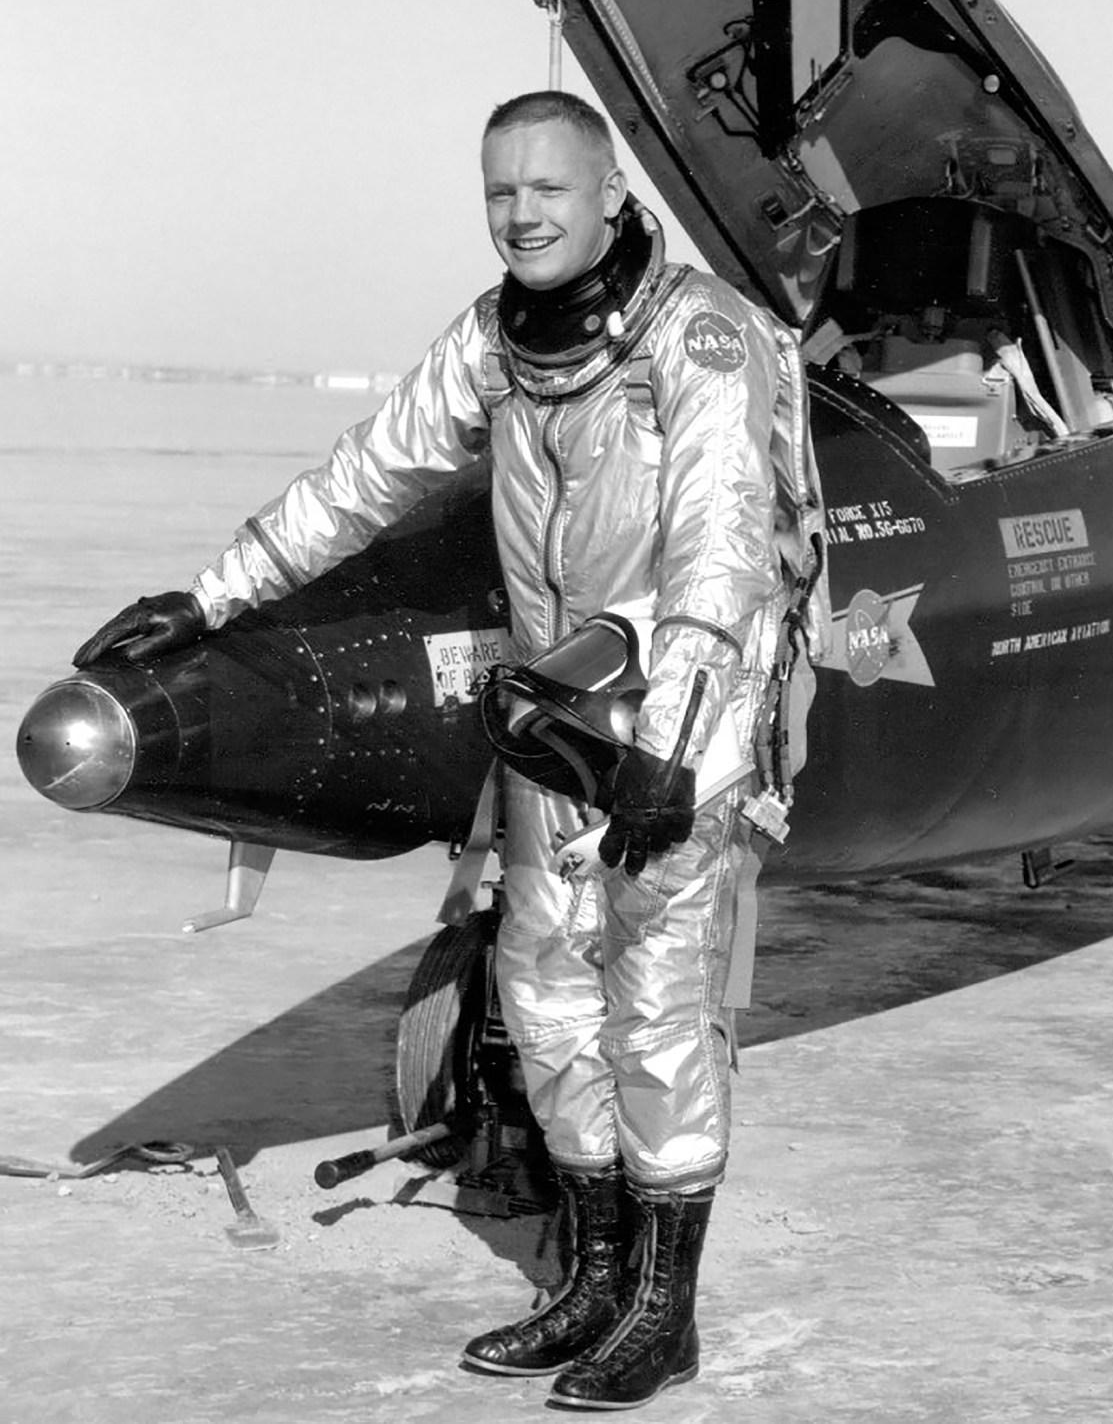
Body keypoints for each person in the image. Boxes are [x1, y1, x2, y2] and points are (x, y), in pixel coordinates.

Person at [72, 90, 825, 1411]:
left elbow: (720, 548)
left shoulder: (696, 338)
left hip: (675, 715)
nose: (523, 213)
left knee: (653, 1012)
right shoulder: (496, 337)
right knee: (541, 990)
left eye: (548, 189)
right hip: (551, 714)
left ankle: (666, 1306)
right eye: (500, 193)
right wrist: (213, 594)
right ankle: (591, 1274)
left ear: (605, 195)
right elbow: (368, 473)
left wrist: (674, 739)